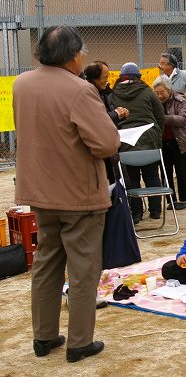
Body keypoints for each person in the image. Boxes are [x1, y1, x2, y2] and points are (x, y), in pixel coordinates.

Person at [13, 25, 120, 362]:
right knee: (83, 268)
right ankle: (79, 342)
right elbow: (106, 143)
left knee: (46, 262)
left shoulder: (22, 84)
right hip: (78, 192)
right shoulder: (80, 90)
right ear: (74, 55)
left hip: (40, 191)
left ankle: (44, 337)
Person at [112, 62, 165, 224]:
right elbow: (160, 115)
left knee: (132, 178)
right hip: (149, 137)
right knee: (152, 175)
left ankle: (136, 213)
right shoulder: (147, 91)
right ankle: (155, 210)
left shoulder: (114, 93)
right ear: (138, 77)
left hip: (126, 140)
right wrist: (157, 134)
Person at [84, 61, 129, 184]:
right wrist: (116, 113)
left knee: (118, 183)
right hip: (99, 147)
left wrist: (120, 115)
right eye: (105, 77)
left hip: (110, 145)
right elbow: (96, 120)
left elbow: (108, 115)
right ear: (95, 78)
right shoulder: (88, 94)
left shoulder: (105, 92)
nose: (107, 80)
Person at [152, 75, 186, 211]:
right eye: (156, 93)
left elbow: (183, 119)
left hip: (179, 140)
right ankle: (171, 200)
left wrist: (163, 118)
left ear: (169, 90)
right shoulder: (154, 102)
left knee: (182, 171)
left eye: (162, 92)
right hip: (162, 142)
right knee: (165, 172)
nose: (159, 95)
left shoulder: (180, 100)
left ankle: (183, 199)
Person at [159, 52, 186, 174]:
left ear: (170, 65)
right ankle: (185, 167)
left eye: (162, 63)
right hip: (170, 115)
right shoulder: (162, 79)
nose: (159, 66)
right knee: (176, 138)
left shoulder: (185, 77)